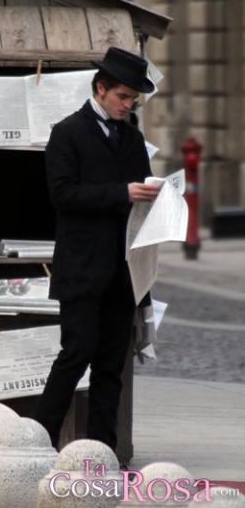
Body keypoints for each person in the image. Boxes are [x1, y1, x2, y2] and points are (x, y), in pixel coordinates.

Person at [35, 47, 160, 461]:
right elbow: (62, 194)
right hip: (83, 269)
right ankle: (38, 443)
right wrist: (121, 193)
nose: (128, 106)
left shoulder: (133, 137)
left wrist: (161, 200)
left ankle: (103, 455)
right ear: (100, 88)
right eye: (123, 97)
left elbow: (141, 193)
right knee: (75, 355)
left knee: (111, 367)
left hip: (124, 271)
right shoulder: (67, 132)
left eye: (134, 100)